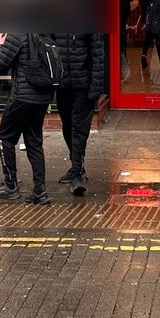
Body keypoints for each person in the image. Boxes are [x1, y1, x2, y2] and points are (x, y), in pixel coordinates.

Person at [0, 32, 55, 204]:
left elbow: (1, 64)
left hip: (22, 97)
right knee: (34, 142)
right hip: (42, 97)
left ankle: (10, 184)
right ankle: (40, 191)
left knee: (4, 137)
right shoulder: (43, 31)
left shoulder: (17, 33)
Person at [54, 27, 106, 195]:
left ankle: (77, 174)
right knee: (67, 126)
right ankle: (77, 164)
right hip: (63, 86)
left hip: (83, 86)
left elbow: (98, 55)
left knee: (79, 129)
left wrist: (95, 89)